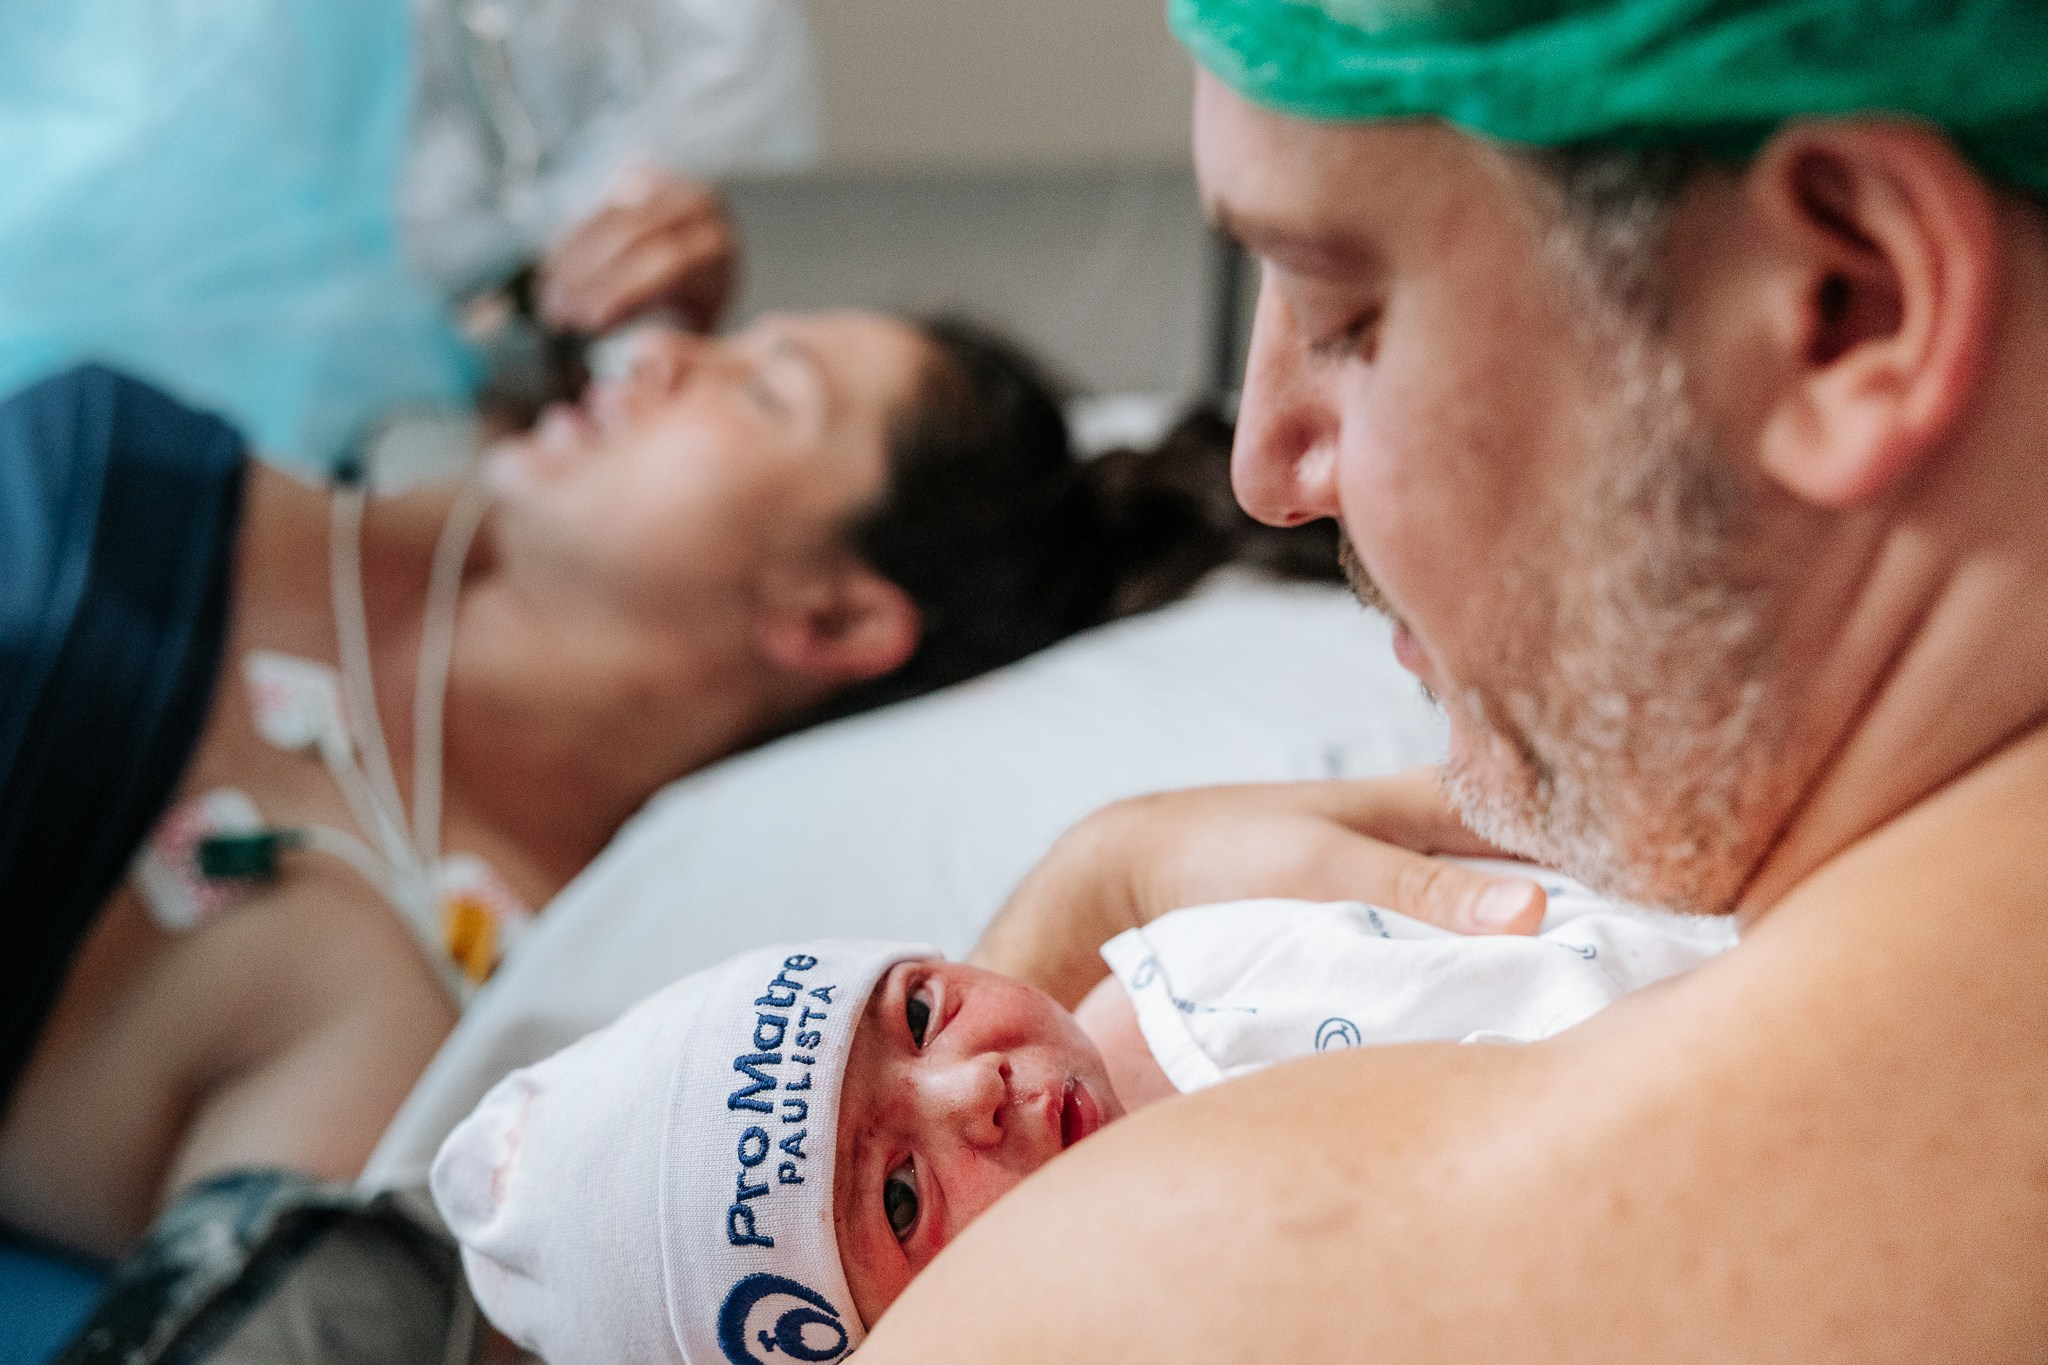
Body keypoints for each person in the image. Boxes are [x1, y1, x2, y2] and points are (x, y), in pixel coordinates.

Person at [839, 1, 2048, 1361]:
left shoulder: (1166, 1288)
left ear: (1847, 302)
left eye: (1345, 316)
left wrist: (1059, 923)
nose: (1267, 470)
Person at [0, 314, 1336, 1263]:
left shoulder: (387, 1022)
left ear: (827, 615)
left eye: (764, 386)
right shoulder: (195, 467)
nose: (658, 348)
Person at [428, 879, 1731, 1364]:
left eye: (922, 1010)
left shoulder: (1204, 995)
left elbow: (1627, 1020)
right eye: (897, 1194)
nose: (969, 1091)